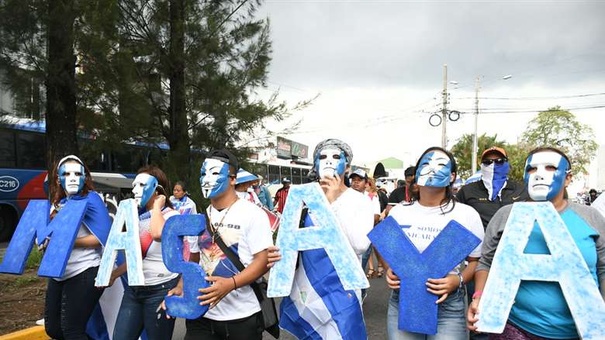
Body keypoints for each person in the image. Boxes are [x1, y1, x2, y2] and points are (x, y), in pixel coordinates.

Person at [467, 146, 605, 339]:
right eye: (532, 169)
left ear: (567, 178)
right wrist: (479, 297)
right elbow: (486, 262)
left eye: (550, 167)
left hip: (582, 332)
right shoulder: (505, 216)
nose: (539, 175)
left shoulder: (591, 217)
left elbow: (603, 267)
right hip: (515, 328)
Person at [267, 138, 374, 338]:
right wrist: (277, 255)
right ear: (315, 164)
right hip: (307, 287)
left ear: (347, 166)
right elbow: (291, 241)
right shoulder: (304, 199)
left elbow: (360, 245)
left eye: (336, 157)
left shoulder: (359, 201)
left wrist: (331, 203)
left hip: (342, 289)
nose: (329, 161)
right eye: (322, 157)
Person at [386, 146, 484, 339]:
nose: (432, 168)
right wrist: (390, 269)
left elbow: (477, 261)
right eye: (425, 164)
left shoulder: (466, 215)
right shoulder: (399, 212)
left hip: (448, 305)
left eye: (440, 165)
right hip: (404, 300)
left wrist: (459, 280)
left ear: (452, 176)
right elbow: (388, 250)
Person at [179, 149, 273, 340]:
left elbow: (263, 262)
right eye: (203, 173)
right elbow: (195, 258)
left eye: (214, 173)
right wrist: (181, 285)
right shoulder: (201, 216)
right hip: (201, 315)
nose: (206, 178)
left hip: (241, 317)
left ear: (232, 179)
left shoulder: (252, 214)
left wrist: (230, 284)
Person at [44, 155, 111, 340]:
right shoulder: (58, 204)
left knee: (72, 330)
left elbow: (101, 238)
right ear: (58, 179)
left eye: (77, 173)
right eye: (66, 173)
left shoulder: (92, 199)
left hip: (84, 269)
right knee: (53, 328)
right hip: (58, 272)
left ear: (84, 177)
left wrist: (68, 241)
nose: (72, 177)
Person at [110, 165, 180, 340]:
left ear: (157, 190)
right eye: (134, 185)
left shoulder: (172, 216)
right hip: (134, 290)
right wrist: (114, 275)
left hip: (160, 289)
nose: (135, 190)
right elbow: (137, 257)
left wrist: (157, 207)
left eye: (141, 185)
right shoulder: (137, 217)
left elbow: (157, 234)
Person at [455, 146, 529, 230]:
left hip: (512, 240)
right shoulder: (467, 191)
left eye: (499, 161)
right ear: (482, 165)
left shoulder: (520, 190)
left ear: (507, 164)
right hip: (482, 241)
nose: (493, 165)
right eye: (488, 162)